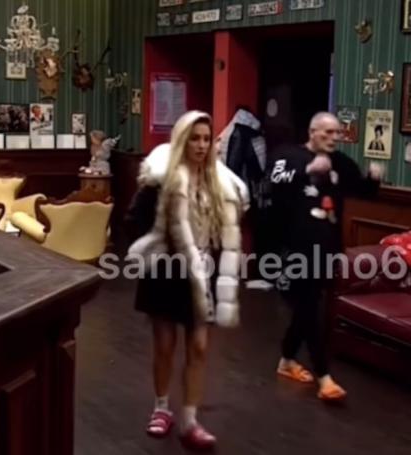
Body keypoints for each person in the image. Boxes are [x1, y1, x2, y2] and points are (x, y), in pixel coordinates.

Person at [126, 110, 248, 450]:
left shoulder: (219, 184)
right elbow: (133, 220)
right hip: (165, 275)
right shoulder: (161, 180)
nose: (201, 145)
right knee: (165, 346)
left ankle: (190, 420)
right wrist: (160, 245)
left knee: (199, 347)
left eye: (207, 139)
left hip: (201, 276)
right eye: (194, 138)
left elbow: (224, 229)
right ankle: (161, 407)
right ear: (182, 141)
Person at [266, 112, 383, 401]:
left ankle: (286, 360)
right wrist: (307, 171)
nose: (333, 138)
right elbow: (273, 184)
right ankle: (324, 377)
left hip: (327, 250)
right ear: (312, 132)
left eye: (337, 133)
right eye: (327, 132)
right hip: (292, 251)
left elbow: (363, 191)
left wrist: (373, 179)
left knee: (307, 308)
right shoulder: (288, 155)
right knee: (309, 309)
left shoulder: (341, 163)